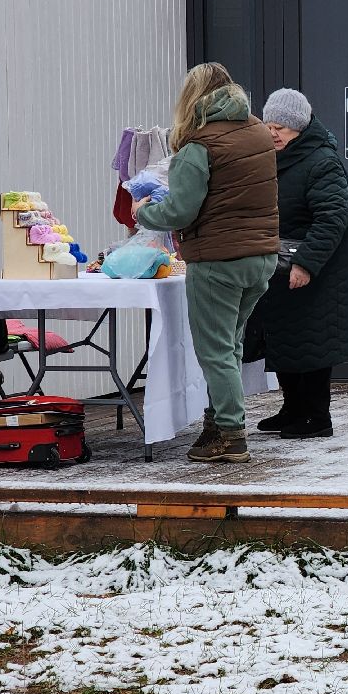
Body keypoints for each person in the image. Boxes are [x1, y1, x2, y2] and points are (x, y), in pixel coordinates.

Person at [135, 62, 279, 463]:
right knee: (229, 345)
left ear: (192, 99)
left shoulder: (200, 146)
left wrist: (143, 211)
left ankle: (231, 435)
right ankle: (216, 422)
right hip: (261, 256)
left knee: (216, 352)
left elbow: (180, 211)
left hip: (219, 260)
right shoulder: (256, 132)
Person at [252, 88, 348, 438]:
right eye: (269, 126)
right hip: (284, 265)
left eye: (281, 128)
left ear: (299, 128)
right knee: (286, 338)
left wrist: (307, 264)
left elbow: (332, 218)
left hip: (321, 271)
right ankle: (292, 408)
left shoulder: (321, 161)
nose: (273, 133)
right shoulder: (278, 158)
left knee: (313, 340)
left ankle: (317, 416)